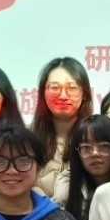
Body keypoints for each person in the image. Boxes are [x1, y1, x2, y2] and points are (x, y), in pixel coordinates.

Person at [32, 57, 93, 203]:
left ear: (85, 94)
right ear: (43, 93)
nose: (63, 96)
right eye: (54, 88)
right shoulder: (24, 139)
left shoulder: (97, 137)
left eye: (72, 88)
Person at [57, 114, 110, 220]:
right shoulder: (66, 188)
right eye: (86, 147)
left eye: (104, 146)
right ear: (77, 153)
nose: (95, 153)